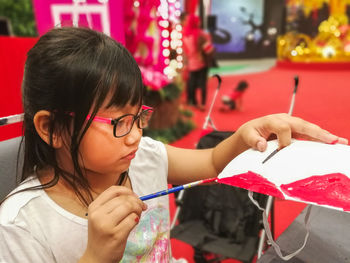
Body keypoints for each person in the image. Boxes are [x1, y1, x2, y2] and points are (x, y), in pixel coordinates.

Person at [0, 26, 347, 263]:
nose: (136, 134)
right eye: (119, 122)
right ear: (52, 128)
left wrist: (243, 135)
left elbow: (212, 163)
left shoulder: (143, 157)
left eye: (138, 116)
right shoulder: (21, 227)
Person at [182, 14, 214, 111]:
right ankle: (203, 104)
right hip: (202, 63)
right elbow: (209, 49)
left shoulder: (185, 35)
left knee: (192, 83)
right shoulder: (201, 34)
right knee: (203, 83)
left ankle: (194, 102)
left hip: (191, 64)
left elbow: (185, 51)